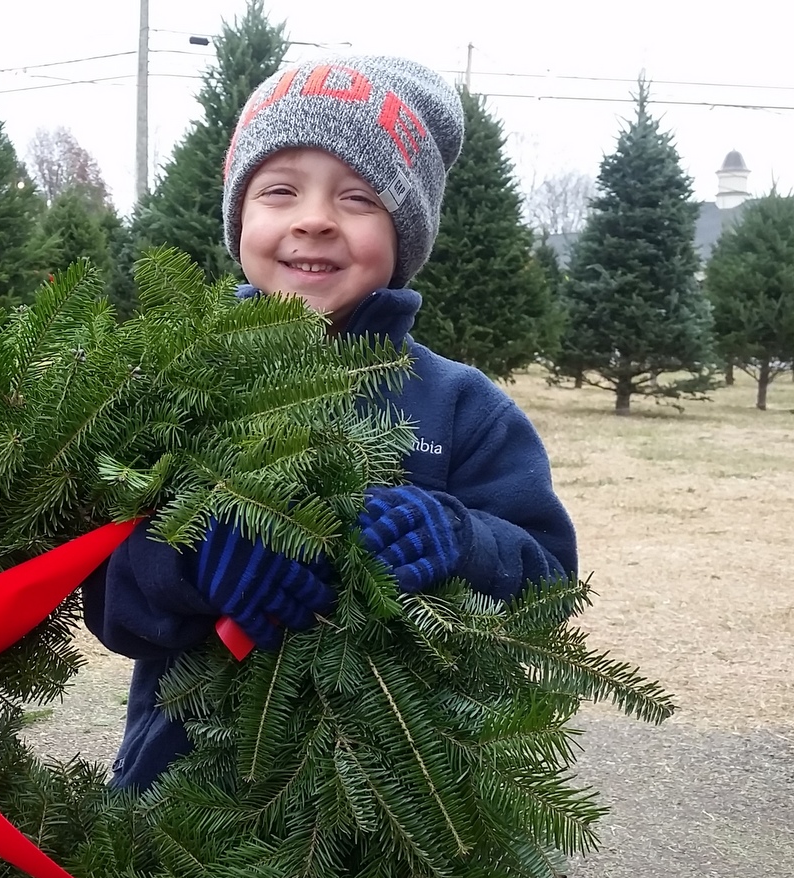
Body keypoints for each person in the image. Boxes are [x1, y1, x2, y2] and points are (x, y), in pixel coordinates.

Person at [83, 55, 578, 790]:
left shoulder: (463, 407)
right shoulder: (174, 388)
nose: (314, 219)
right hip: (180, 806)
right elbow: (109, 603)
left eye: (357, 197)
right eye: (279, 190)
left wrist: (462, 539)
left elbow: (549, 580)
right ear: (240, 218)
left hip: (405, 811)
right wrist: (187, 561)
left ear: (404, 233)